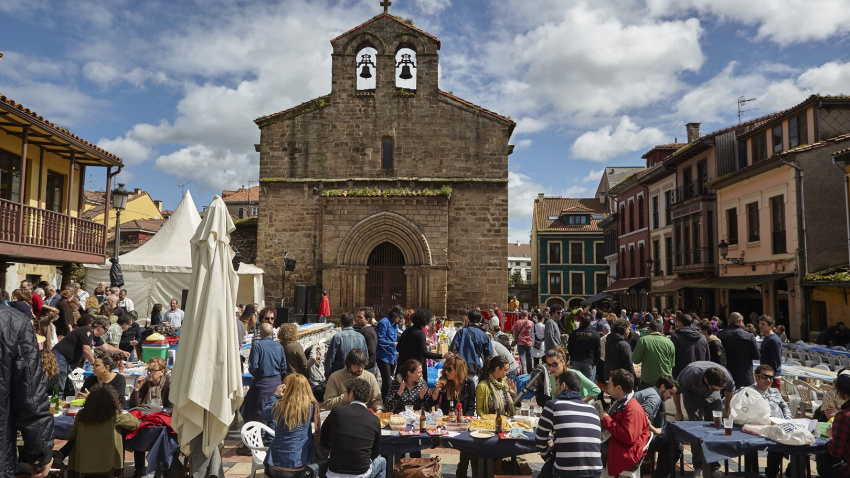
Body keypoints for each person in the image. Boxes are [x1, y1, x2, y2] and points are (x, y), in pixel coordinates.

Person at [0, 305, 54, 477]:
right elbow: (30, 397)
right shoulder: (14, 321)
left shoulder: (14, 322)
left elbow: (30, 395)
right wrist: (40, 453)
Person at [536, 370, 604, 478]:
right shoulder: (593, 410)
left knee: (549, 468)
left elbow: (540, 439)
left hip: (567, 471)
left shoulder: (553, 406)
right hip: (595, 470)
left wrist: (548, 458)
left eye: (557, 385)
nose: (555, 389)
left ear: (563, 386)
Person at [673, 361, 735, 476]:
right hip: (692, 397)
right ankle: (698, 466)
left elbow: (729, 390)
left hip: (713, 398)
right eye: (716, 388)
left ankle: (714, 466)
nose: (718, 389)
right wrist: (678, 412)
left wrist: (726, 410)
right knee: (696, 431)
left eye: (719, 389)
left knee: (716, 428)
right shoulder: (689, 375)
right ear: (706, 380)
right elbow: (676, 392)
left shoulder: (726, 376)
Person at [67, 384, 139, 476]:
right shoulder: (113, 414)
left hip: (84, 461)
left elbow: (73, 434)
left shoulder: (81, 414)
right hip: (107, 461)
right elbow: (134, 423)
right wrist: (125, 413)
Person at [321, 378, 385, 478]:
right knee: (382, 461)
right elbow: (375, 453)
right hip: (361, 473)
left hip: (334, 473)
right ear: (367, 398)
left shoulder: (337, 411)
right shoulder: (374, 420)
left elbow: (324, 437)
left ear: (351, 394)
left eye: (345, 393)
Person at [52, 317, 129, 398]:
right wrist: (96, 364)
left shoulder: (95, 337)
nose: (106, 332)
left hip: (69, 362)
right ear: (99, 327)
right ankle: (57, 405)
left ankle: (65, 403)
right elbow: (86, 350)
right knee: (59, 386)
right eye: (106, 330)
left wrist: (121, 351)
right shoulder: (87, 331)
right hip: (61, 357)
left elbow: (106, 347)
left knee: (69, 389)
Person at [262, 374, 320, 478]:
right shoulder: (310, 406)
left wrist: (274, 396)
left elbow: (265, 415)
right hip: (297, 464)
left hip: (274, 464)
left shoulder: (279, 405)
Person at [240, 322, 287, 449]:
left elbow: (253, 366)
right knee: (271, 411)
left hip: (262, 384)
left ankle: (257, 442)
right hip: (277, 383)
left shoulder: (257, 346)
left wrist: (257, 374)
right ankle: (266, 440)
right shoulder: (279, 346)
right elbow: (284, 367)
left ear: (260, 334)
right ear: (272, 334)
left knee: (254, 411)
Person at [598, 369, 651, 478]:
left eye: (610, 384)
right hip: (621, 444)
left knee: (591, 449)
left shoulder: (632, 409)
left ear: (619, 388)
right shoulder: (622, 402)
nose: (608, 387)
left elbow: (628, 436)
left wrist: (607, 420)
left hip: (627, 452)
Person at [747, 365, 792, 478]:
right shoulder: (748, 392)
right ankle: (766, 473)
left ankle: (788, 472)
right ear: (756, 376)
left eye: (771, 378)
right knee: (776, 443)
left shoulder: (775, 391)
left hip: (780, 426)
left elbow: (784, 406)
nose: (768, 380)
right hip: (759, 428)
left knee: (802, 444)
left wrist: (788, 420)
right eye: (765, 377)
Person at [396, 308, 447, 383]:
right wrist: (442, 356)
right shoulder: (420, 334)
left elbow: (398, 348)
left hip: (403, 367)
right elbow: (424, 353)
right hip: (415, 369)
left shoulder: (406, 331)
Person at [717, 312, 760, 389]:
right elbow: (756, 355)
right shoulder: (749, 335)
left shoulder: (720, 335)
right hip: (745, 375)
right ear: (740, 321)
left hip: (726, 374)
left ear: (729, 321)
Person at [632, 318, 675, 390]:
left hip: (648, 380)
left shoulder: (643, 340)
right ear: (662, 330)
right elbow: (672, 364)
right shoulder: (669, 342)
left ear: (650, 329)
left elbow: (635, 360)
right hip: (665, 381)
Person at [450, 310, 493, 378]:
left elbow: (452, 350)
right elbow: (489, 356)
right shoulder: (485, 336)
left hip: (460, 368)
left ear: (468, 319)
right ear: (480, 320)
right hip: (476, 370)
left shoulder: (461, 332)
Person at [325, 312, 368, 379]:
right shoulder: (361, 337)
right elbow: (366, 357)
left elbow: (330, 359)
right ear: (353, 323)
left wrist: (328, 376)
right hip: (357, 375)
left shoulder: (337, 337)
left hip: (340, 376)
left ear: (341, 324)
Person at [825, 369, 850, 478]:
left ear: (839, 391)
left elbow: (836, 452)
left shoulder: (843, 416)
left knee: (828, 471)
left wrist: (831, 437)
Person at [375, 306, 404, 399]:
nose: (401, 320)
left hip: (392, 356)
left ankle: (385, 400)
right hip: (383, 356)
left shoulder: (395, 324)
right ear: (395, 315)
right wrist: (393, 344)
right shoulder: (384, 322)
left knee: (389, 382)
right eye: (400, 317)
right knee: (387, 381)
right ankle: (383, 401)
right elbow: (380, 340)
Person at [670, 313, 710, 378]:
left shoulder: (676, 337)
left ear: (680, 323)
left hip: (682, 375)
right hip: (700, 374)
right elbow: (707, 357)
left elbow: (672, 358)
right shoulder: (703, 337)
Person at [568, 312, 602, 383]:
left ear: (580, 322)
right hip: (589, 361)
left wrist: (573, 358)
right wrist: (594, 361)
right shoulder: (595, 335)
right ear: (589, 323)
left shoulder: (574, 333)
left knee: (576, 384)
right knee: (587, 385)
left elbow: (569, 347)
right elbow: (598, 351)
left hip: (577, 361)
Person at [759, 315, 783, 389]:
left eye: (763, 324)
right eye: (759, 324)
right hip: (766, 374)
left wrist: (770, 376)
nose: (760, 326)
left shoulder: (773, 340)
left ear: (770, 326)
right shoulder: (767, 338)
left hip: (772, 377)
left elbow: (775, 360)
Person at [356, 307, 379, 380]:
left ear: (367, 319)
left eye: (360, 317)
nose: (357, 319)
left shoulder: (366, 332)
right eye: (357, 316)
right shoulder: (369, 330)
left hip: (367, 368)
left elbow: (371, 349)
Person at [512, 309, 534, 374]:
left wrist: (516, 336)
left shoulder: (517, 322)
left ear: (521, 315)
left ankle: (524, 371)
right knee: (529, 356)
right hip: (529, 341)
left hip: (520, 341)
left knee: (522, 356)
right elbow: (533, 332)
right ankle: (530, 370)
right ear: (527, 315)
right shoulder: (531, 323)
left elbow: (513, 331)